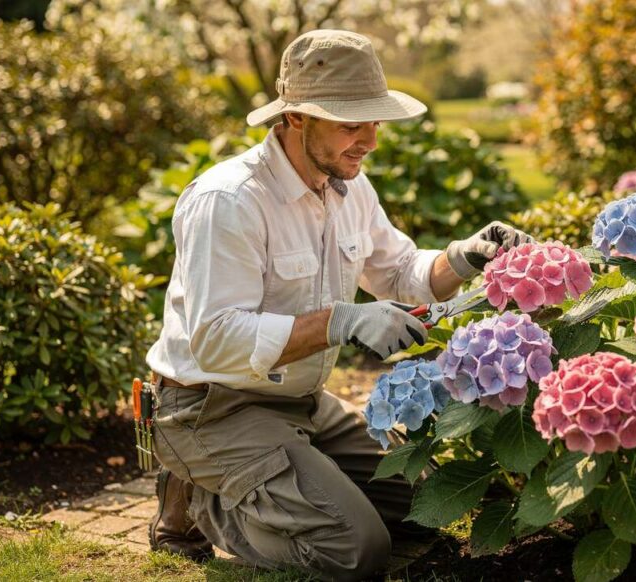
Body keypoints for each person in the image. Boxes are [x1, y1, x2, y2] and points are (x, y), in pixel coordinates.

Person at [145, 29, 532, 581]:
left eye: (376, 121)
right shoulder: (229, 202)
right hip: (211, 405)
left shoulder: (348, 186)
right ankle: (201, 500)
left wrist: (467, 256)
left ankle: (280, 475)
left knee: (426, 506)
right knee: (355, 551)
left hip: (299, 400)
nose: (371, 139)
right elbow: (215, 339)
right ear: (296, 118)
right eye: (353, 123)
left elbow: (399, 272)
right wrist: (341, 321)